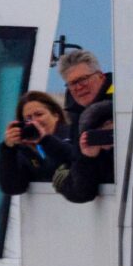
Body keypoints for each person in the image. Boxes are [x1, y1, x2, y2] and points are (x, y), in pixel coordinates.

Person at [52, 47, 116, 203]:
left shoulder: (124, 103)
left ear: (100, 76)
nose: (78, 87)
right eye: (72, 83)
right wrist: (87, 157)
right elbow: (82, 192)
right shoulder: (79, 117)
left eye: (83, 79)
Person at [0, 90, 73, 197]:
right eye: (28, 118)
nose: (34, 121)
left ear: (56, 115)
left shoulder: (73, 135)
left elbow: (72, 159)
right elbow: (13, 187)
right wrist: (8, 149)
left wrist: (45, 140)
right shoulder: (25, 150)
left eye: (39, 114)